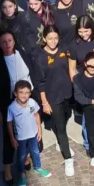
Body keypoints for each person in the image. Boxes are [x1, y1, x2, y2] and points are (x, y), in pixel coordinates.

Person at [0, 31, 35, 185]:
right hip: (7, 102)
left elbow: (31, 73)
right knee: (9, 137)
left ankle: (25, 156)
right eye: (4, 42)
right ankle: (7, 167)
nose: (7, 44)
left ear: (14, 41)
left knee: (26, 130)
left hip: (26, 98)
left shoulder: (22, 53)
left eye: (10, 40)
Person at [34, 25, 75, 177]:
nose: (53, 41)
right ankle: (68, 158)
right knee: (61, 127)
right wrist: (44, 102)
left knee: (65, 119)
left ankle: (60, 141)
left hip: (66, 93)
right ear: (44, 38)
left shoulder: (64, 49)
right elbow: (40, 83)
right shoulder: (40, 57)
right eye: (50, 38)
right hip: (52, 97)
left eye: (55, 38)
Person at [7, 80, 51, 186]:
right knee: (21, 156)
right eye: (21, 92)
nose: (24, 95)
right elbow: (9, 123)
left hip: (33, 134)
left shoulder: (32, 102)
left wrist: (39, 130)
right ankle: (22, 174)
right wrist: (12, 138)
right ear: (15, 94)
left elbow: (36, 115)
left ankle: (38, 167)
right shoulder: (12, 108)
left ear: (30, 94)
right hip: (21, 137)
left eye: (27, 92)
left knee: (35, 151)